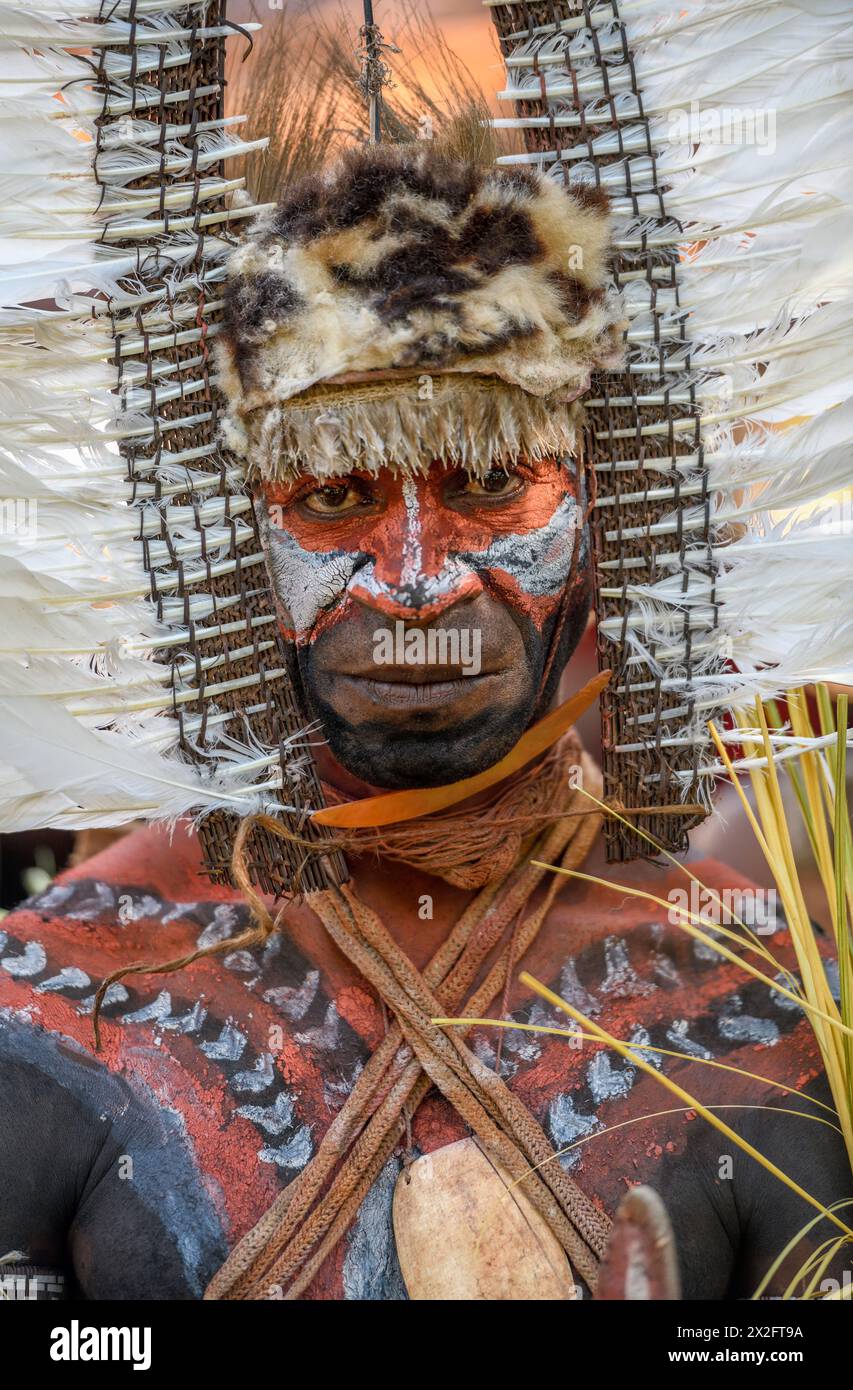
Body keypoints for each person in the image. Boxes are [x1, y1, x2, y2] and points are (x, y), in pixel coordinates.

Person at [0, 136, 849, 1303]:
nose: (414, 583)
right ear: (234, 540)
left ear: (609, 508)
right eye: (334, 494)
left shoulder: (774, 1012)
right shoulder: (56, 999)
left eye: (491, 483)